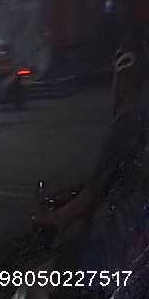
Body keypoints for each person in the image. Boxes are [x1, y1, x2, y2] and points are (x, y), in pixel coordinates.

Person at [41, 40, 149, 289]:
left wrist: (55, 218)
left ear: (123, 82)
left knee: (49, 282)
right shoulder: (140, 117)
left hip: (122, 236)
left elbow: (92, 193)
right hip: (135, 233)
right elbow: (108, 176)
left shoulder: (127, 124)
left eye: (117, 79)